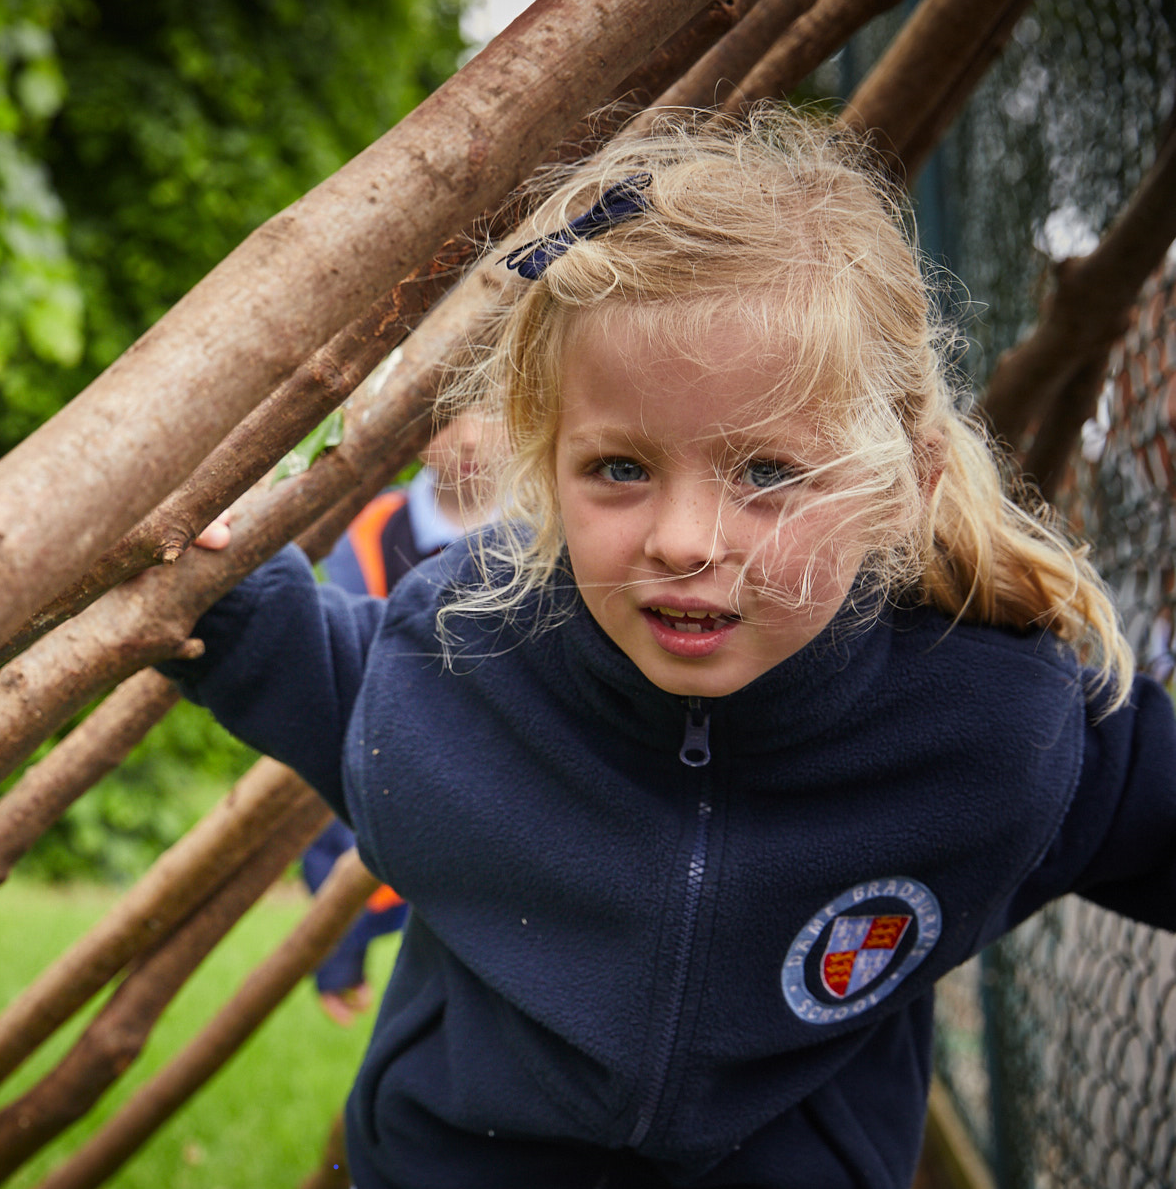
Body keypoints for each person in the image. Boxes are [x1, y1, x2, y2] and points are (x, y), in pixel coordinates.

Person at [160, 110, 1176, 1188]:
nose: (684, 541)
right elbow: (304, 659)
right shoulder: (464, 653)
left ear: (902, 489)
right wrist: (212, 572)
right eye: (618, 468)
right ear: (545, 467)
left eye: (768, 474)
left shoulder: (993, 720)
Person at [306, 413, 502, 1025]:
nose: (469, 439)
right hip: (384, 773)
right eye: (447, 415)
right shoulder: (364, 534)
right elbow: (331, 714)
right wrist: (338, 951)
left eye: (490, 409)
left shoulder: (556, 530)